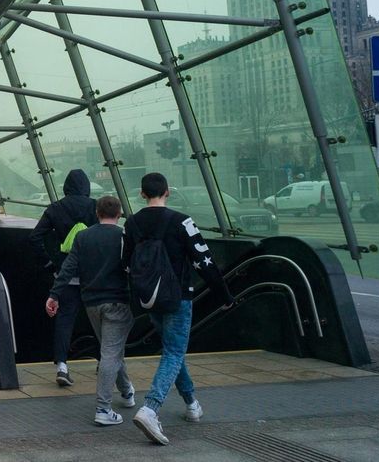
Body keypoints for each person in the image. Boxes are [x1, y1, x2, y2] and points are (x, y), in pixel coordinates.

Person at [123, 172, 234, 446]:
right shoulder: (181, 220)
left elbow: (126, 263)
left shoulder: (132, 223)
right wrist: (224, 294)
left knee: (173, 350)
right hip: (178, 297)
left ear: (142, 193)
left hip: (149, 298)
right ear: (167, 192)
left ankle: (192, 403)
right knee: (174, 351)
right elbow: (204, 260)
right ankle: (150, 408)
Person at [45, 195, 135, 426]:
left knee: (111, 349)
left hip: (91, 303)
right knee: (110, 353)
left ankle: (126, 392)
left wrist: (55, 294)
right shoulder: (125, 236)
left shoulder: (83, 237)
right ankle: (103, 409)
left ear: (97, 213)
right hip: (117, 302)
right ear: (119, 214)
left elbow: (69, 267)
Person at [29, 169, 98, 387]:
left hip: (65, 274)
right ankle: (105, 361)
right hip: (93, 275)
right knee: (101, 319)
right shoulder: (96, 206)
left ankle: (62, 366)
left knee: (65, 320)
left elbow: (35, 237)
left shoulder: (56, 208)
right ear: (86, 186)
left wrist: (50, 263)